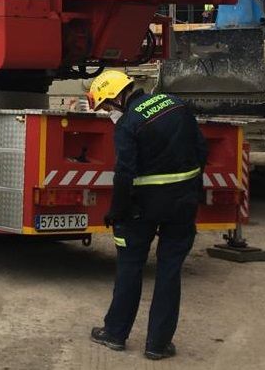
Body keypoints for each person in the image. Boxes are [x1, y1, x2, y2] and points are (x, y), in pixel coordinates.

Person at [86, 70, 208, 361]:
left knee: (130, 267)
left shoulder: (128, 125)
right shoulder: (176, 104)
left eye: (106, 107)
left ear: (117, 97)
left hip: (141, 209)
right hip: (182, 204)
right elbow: (201, 151)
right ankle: (158, 344)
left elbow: (125, 173)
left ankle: (115, 333)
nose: (107, 113)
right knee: (169, 271)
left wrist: (116, 210)